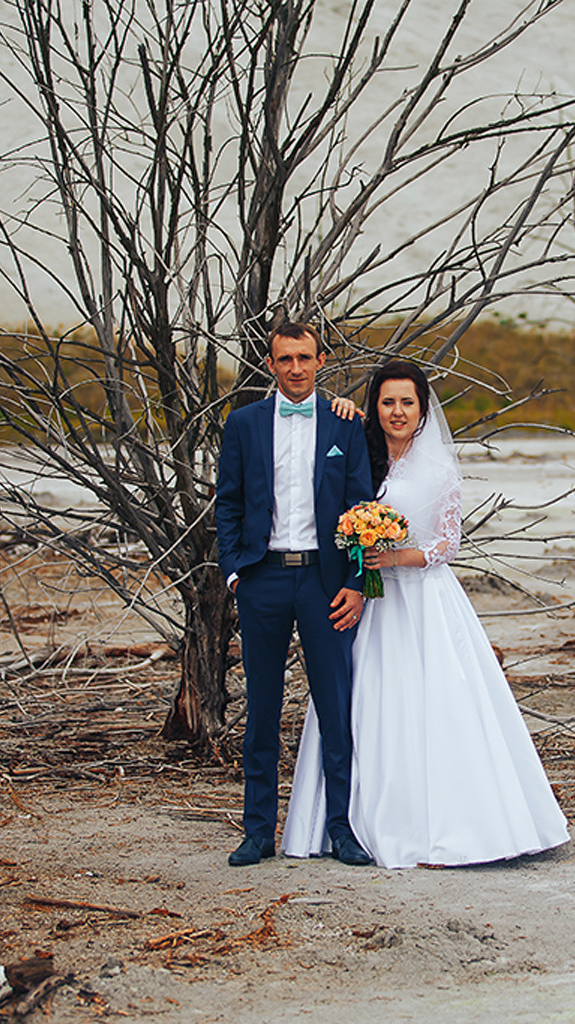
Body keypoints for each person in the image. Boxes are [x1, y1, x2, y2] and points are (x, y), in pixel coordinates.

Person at [281, 361, 570, 868]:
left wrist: (396, 556)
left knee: (435, 705)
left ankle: (448, 828)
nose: (396, 412)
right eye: (387, 402)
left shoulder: (437, 469)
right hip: (366, 600)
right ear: (375, 405)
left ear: (422, 409)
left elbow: (447, 543)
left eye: (407, 403)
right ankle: (346, 825)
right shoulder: (357, 453)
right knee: (362, 702)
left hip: (420, 599)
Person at [214, 322, 376, 867]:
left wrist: (356, 584)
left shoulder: (344, 424)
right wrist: (236, 571)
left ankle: (341, 828)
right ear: (271, 364)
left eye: (304, 358)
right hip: (264, 578)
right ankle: (257, 830)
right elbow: (229, 503)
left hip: (325, 582)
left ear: (321, 360)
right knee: (262, 708)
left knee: (335, 705)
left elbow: (360, 511)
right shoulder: (243, 424)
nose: (296, 368)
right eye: (285, 359)